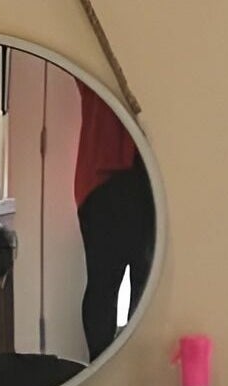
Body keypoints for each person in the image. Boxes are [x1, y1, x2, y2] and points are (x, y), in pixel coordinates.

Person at [75, 82, 153, 359]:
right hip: (104, 180)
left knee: (145, 288)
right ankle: (102, 366)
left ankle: (130, 367)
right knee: (105, 288)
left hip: (143, 176)